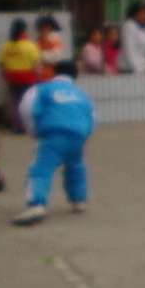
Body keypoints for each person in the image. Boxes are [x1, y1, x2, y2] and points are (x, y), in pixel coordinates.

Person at [13, 59, 95, 226]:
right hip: (78, 135)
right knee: (75, 166)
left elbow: (26, 109)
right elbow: (92, 117)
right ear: (76, 75)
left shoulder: (42, 89)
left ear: (53, 72)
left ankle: (37, 203)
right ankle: (78, 199)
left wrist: (33, 131)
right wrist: (85, 135)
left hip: (53, 133)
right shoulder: (81, 94)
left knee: (42, 168)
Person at [0, 17, 40, 133]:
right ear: (24, 30)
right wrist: (38, 77)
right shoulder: (30, 46)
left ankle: (17, 127)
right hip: (27, 77)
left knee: (15, 102)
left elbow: (0, 64)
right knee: (28, 101)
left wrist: (4, 76)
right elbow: (36, 65)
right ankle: (28, 126)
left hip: (12, 77)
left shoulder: (6, 46)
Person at [122, 3, 145, 115]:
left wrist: (144, 67)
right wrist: (137, 69)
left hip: (142, 67)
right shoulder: (129, 26)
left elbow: (144, 51)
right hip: (130, 68)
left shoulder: (142, 27)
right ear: (135, 14)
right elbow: (129, 50)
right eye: (142, 13)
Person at [34, 14, 66, 78]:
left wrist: (39, 55)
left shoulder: (54, 40)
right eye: (41, 27)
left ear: (50, 28)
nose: (42, 30)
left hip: (51, 75)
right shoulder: (38, 41)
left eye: (45, 27)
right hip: (39, 76)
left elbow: (55, 58)